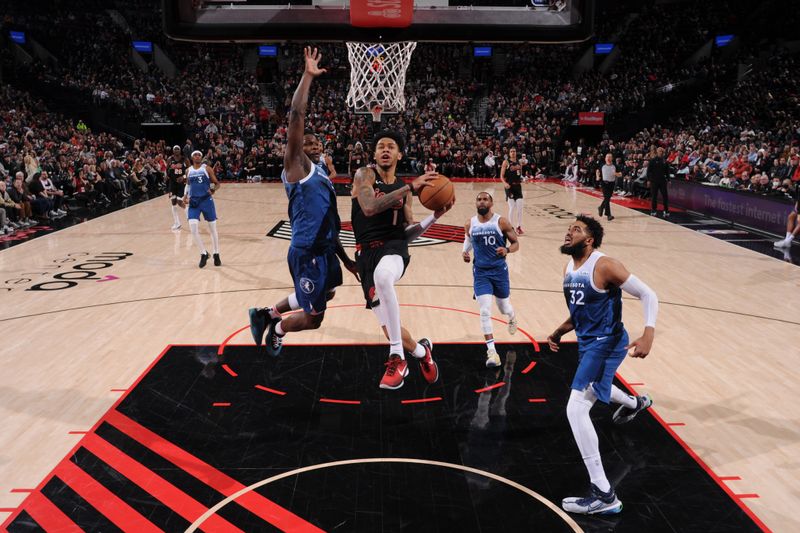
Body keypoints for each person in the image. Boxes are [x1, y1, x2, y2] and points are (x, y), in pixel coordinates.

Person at [248, 47, 357, 356]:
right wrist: (307, 77)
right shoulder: (296, 167)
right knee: (314, 319)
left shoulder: (322, 173)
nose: (309, 142)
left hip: (325, 249)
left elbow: (331, 224)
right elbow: (297, 115)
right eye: (304, 140)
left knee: (330, 292)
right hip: (307, 251)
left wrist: (346, 260)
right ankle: (276, 329)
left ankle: (265, 313)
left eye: (315, 141)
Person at [547, 215, 658, 515]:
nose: (569, 232)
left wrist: (648, 333)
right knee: (597, 387)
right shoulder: (569, 268)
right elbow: (580, 311)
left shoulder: (605, 265)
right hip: (588, 342)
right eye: (569, 228)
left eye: (577, 230)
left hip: (607, 342)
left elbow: (648, 294)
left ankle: (603, 494)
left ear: (590, 240)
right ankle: (635, 403)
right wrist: (559, 330)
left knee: (576, 407)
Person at [351, 129, 454, 389]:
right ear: (374, 154)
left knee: (384, 276)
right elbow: (369, 207)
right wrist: (410, 187)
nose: (385, 150)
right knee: (390, 329)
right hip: (366, 256)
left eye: (391, 146)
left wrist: (435, 216)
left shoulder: (404, 189)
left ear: (400, 153)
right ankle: (422, 353)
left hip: (393, 249)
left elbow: (408, 233)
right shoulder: (365, 175)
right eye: (381, 146)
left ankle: (397, 358)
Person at [462, 192, 519, 367]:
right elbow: (469, 241)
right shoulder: (469, 223)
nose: (482, 201)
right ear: (476, 203)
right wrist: (465, 252)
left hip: (499, 272)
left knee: (504, 308)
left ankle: (512, 316)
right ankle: (492, 352)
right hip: (480, 273)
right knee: (485, 311)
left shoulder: (501, 222)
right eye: (479, 199)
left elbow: (516, 243)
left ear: (491, 203)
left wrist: (507, 250)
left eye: (485, 199)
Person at [183, 150, 221, 268]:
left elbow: (216, 183)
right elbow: (188, 184)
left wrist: (213, 189)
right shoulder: (188, 170)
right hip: (194, 201)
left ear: (201, 157)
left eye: (199, 154)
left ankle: (216, 253)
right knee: (193, 228)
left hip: (206, 200)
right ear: (192, 157)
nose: (197, 156)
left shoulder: (207, 168)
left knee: (212, 228)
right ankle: (203, 253)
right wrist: (185, 195)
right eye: (195, 154)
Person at [500, 147, 525, 234]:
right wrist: (505, 183)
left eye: (514, 151)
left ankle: (519, 226)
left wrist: (522, 179)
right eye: (511, 151)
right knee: (512, 207)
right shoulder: (506, 162)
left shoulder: (519, 162)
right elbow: (501, 176)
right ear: (509, 153)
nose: (513, 153)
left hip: (518, 186)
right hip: (509, 187)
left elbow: (519, 175)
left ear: (516, 152)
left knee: (520, 207)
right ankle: (511, 227)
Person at [167, 145, 187, 230]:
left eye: (178, 149)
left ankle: (189, 214)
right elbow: (167, 171)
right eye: (175, 149)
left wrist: (184, 177)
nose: (176, 150)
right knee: (173, 202)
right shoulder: (169, 159)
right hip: (172, 183)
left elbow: (190, 171)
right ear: (173, 150)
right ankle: (177, 223)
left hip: (181, 183)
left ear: (180, 150)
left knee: (179, 201)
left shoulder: (185, 159)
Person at [597, 154, 620, 221]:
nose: (608, 158)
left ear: (612, 158)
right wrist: (597, 176)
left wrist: (617, 174)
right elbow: (597, 171)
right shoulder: (602, 165)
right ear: (605, 158)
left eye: (610, 157)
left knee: (607, 198)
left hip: (612, 184)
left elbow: (620, 174)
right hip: (604, 183)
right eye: (607, 157)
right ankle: (608, 215)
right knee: (607, 198)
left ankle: (601, 207)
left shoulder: (615, 165)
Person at [648, 147, 670, 217]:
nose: (661, 152)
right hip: (654, 181)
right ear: (657, 152)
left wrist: (669, 180)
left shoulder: (665, 161)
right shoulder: (652, 160)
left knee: (665, 196)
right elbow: (649, 171)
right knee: (654, 196)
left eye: (662, 151)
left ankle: (666, 210)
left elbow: (667, 172)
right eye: (660, 151)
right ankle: (654, 210)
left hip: (663, 181)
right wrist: (648, 180)